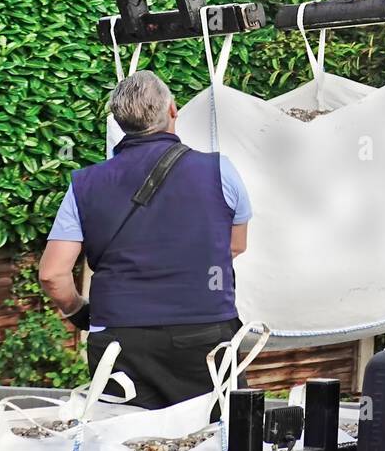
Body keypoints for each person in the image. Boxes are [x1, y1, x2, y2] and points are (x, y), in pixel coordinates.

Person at [38, 69, 251, 409]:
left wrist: (78, 311)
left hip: (120, 339)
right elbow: (234, 246)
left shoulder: (84, 185)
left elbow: (52, 274)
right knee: (220, 444)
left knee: (126, 450)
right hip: (205, 334)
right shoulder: (219, 170)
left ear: (119, 122)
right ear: (173, 110)